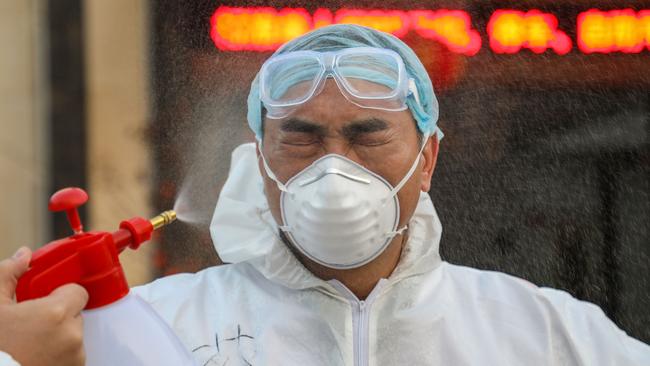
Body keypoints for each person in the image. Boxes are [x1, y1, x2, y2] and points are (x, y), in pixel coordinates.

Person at [1, 24, 649, 365]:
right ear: (259, 162)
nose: (334, 169)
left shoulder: (544, 334)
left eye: (368, 135)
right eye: (302, 138)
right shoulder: (157, 328)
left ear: (427, 160)